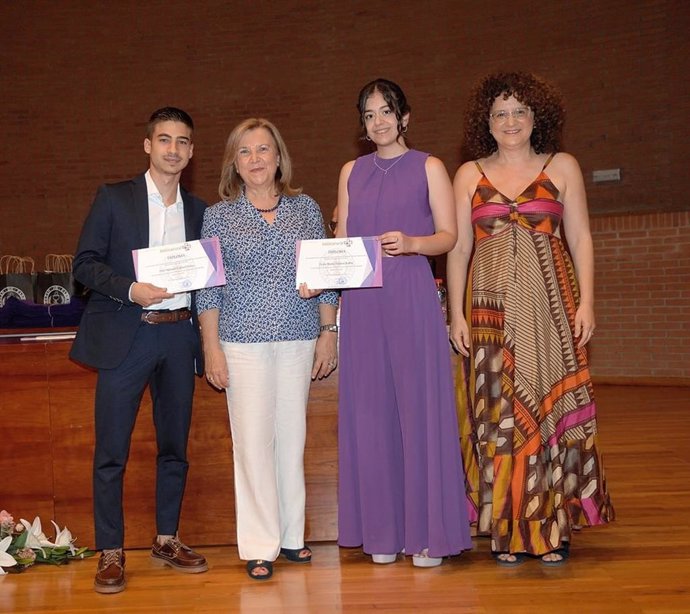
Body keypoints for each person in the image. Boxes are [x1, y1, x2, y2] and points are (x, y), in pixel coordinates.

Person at [447, 72, 615, 567]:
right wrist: (456, 312)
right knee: (500, 417)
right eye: (500, 113)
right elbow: (457, 249)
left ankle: (554, 526)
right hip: (490, 312)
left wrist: (588, 302)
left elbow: (581, 237)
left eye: (520, 111)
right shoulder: (467, 174)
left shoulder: (561, 166)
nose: (510, 121)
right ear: (487, 122)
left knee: (549, 410)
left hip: (552, 307)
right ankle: (509, 528)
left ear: (536, 116)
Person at [70, 107, 209, 593]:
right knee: (112, 450)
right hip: (126, 334)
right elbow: (84, 264)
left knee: (175, 447)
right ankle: (110, 550)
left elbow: (208, 278)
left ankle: (166, 538)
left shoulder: (200, 211)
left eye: (183, 141)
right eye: (164, 139)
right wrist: (131, 289)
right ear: (147, 145)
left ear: (191, 152)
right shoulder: (114, 199)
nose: (173, 149)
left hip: (177, 335)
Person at [335, 78, 472, 567]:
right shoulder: (350, 171)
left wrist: (413, 243)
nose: (379, 121)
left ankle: (429, 535)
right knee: (371, 415)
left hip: (411, 294)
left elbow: (450, 237)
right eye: (369, 114)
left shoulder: (430, 166)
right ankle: (383, 533)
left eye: (387, 111)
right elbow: (343, 237)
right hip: (364, 305)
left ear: (405, 116)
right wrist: (319, 276)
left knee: (419, 412)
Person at [197, 118, 338, 581]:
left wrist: (328, 333)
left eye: (263, 150)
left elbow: (324, 279)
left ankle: (292, 536)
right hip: (240, 343)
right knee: (253, 443)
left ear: (279, 156)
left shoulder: (307, 209)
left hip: (299, 337)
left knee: (291, 439)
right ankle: (260, 544)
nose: (256, 159)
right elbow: (209, 288)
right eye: (245, 152)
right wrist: (211, 348)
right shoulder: (218, 216)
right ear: (234, 164)